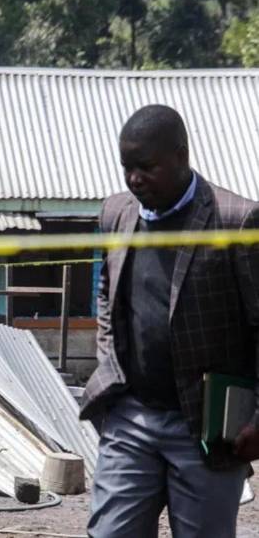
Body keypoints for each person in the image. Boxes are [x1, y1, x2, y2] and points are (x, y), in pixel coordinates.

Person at [79, 104, 259, 537]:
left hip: (206, 428)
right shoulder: (116, 214)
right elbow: (107, 293)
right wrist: (110, 363)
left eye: (146, 167)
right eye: (127, 167)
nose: (134, 178)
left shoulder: (236, 221)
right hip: (131, 416)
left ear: (181, 155)